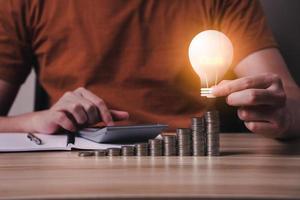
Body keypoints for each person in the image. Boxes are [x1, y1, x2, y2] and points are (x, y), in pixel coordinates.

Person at [0, 0, 299, 139]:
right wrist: (35, 121)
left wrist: (283, 114)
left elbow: (290, 98)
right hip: (78, 169)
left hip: (193, 163)